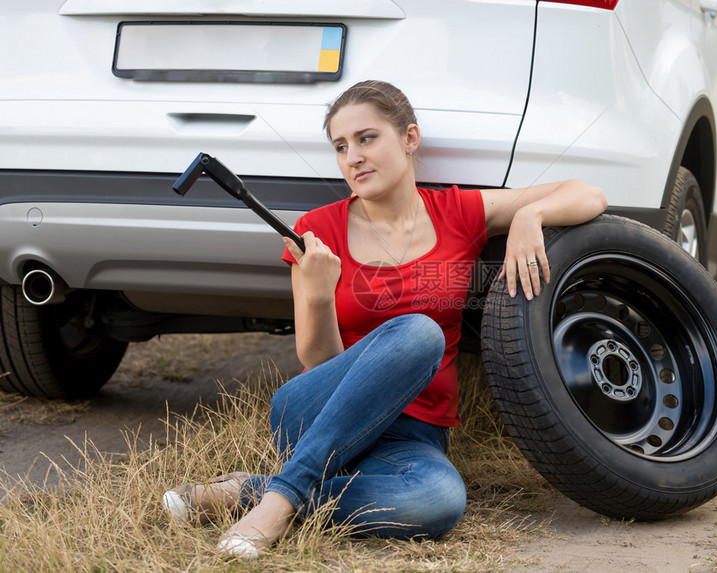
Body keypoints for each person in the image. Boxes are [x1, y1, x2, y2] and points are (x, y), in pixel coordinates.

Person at [162, 80, 607, 559]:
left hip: (414, 433)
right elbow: (319, 359)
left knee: (437, 500)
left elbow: (588, 193)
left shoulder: (457, 212)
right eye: (340, 146)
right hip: (317, 414)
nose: (352, 156)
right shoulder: (316, 230)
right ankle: (280, 500)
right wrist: (315, 293)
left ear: (410, 139)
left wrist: (529, 216)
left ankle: (246, 493)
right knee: (419, 331)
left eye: (367, 138)